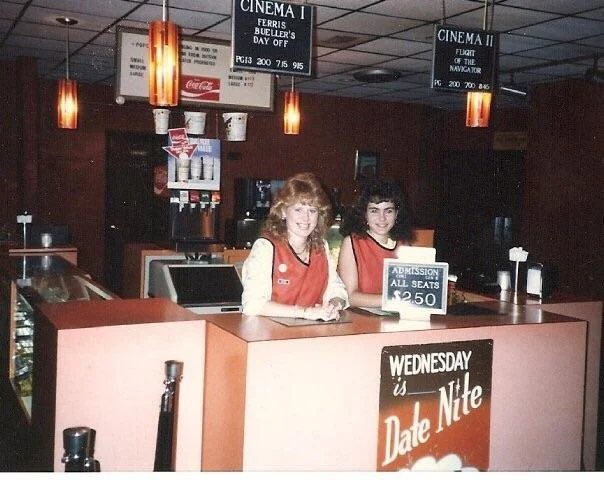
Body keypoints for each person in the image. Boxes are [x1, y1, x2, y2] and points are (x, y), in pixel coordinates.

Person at [241, 172, 348, 321]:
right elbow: (252, 305)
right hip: (270, 336)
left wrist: (333, 304)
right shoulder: (266, 247)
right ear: (284, 211)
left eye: (312, 210)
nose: (306, 218)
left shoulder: (321, 247)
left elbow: (337, 290)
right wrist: (305, 313)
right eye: (298, 209)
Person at [337, 179, 414, 308]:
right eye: (374, 210)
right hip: (359, 321)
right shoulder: (352, 243)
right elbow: (350, 297)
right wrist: (393, 300)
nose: (382, 218)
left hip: (394, 320)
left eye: (388, 210)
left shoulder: (404, 245)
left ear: (397, 214)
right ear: (364, 214)